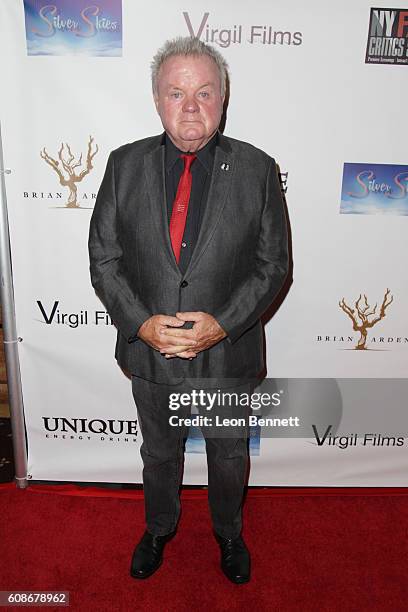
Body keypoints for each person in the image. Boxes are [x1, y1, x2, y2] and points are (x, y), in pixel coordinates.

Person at [88, 36, 289, 584]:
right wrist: (142, 324)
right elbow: (105, 259)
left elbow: (273, 266)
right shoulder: (123, 165)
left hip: (226, 353)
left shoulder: (258, 170)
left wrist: (221, 324)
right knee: (158, 453)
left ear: (223, 98)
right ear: (157, 99)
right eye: (177, 93)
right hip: (150, 354)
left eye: (205, 92)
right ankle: (159, 527)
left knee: (228, 456)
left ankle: (228, 532)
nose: (192, 106)